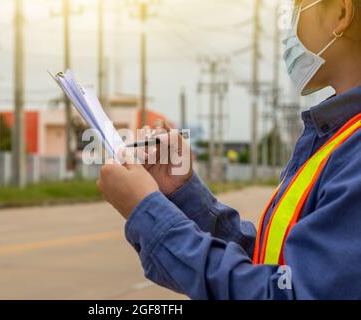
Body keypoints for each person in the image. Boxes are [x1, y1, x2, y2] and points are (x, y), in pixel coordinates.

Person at [97, 0, 361, 299]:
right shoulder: (341, 136)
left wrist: (147, 211)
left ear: (341, 12)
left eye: (297, 8)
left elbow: (286, 294)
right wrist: (181, 195)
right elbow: (275, 263)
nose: (290, 28)